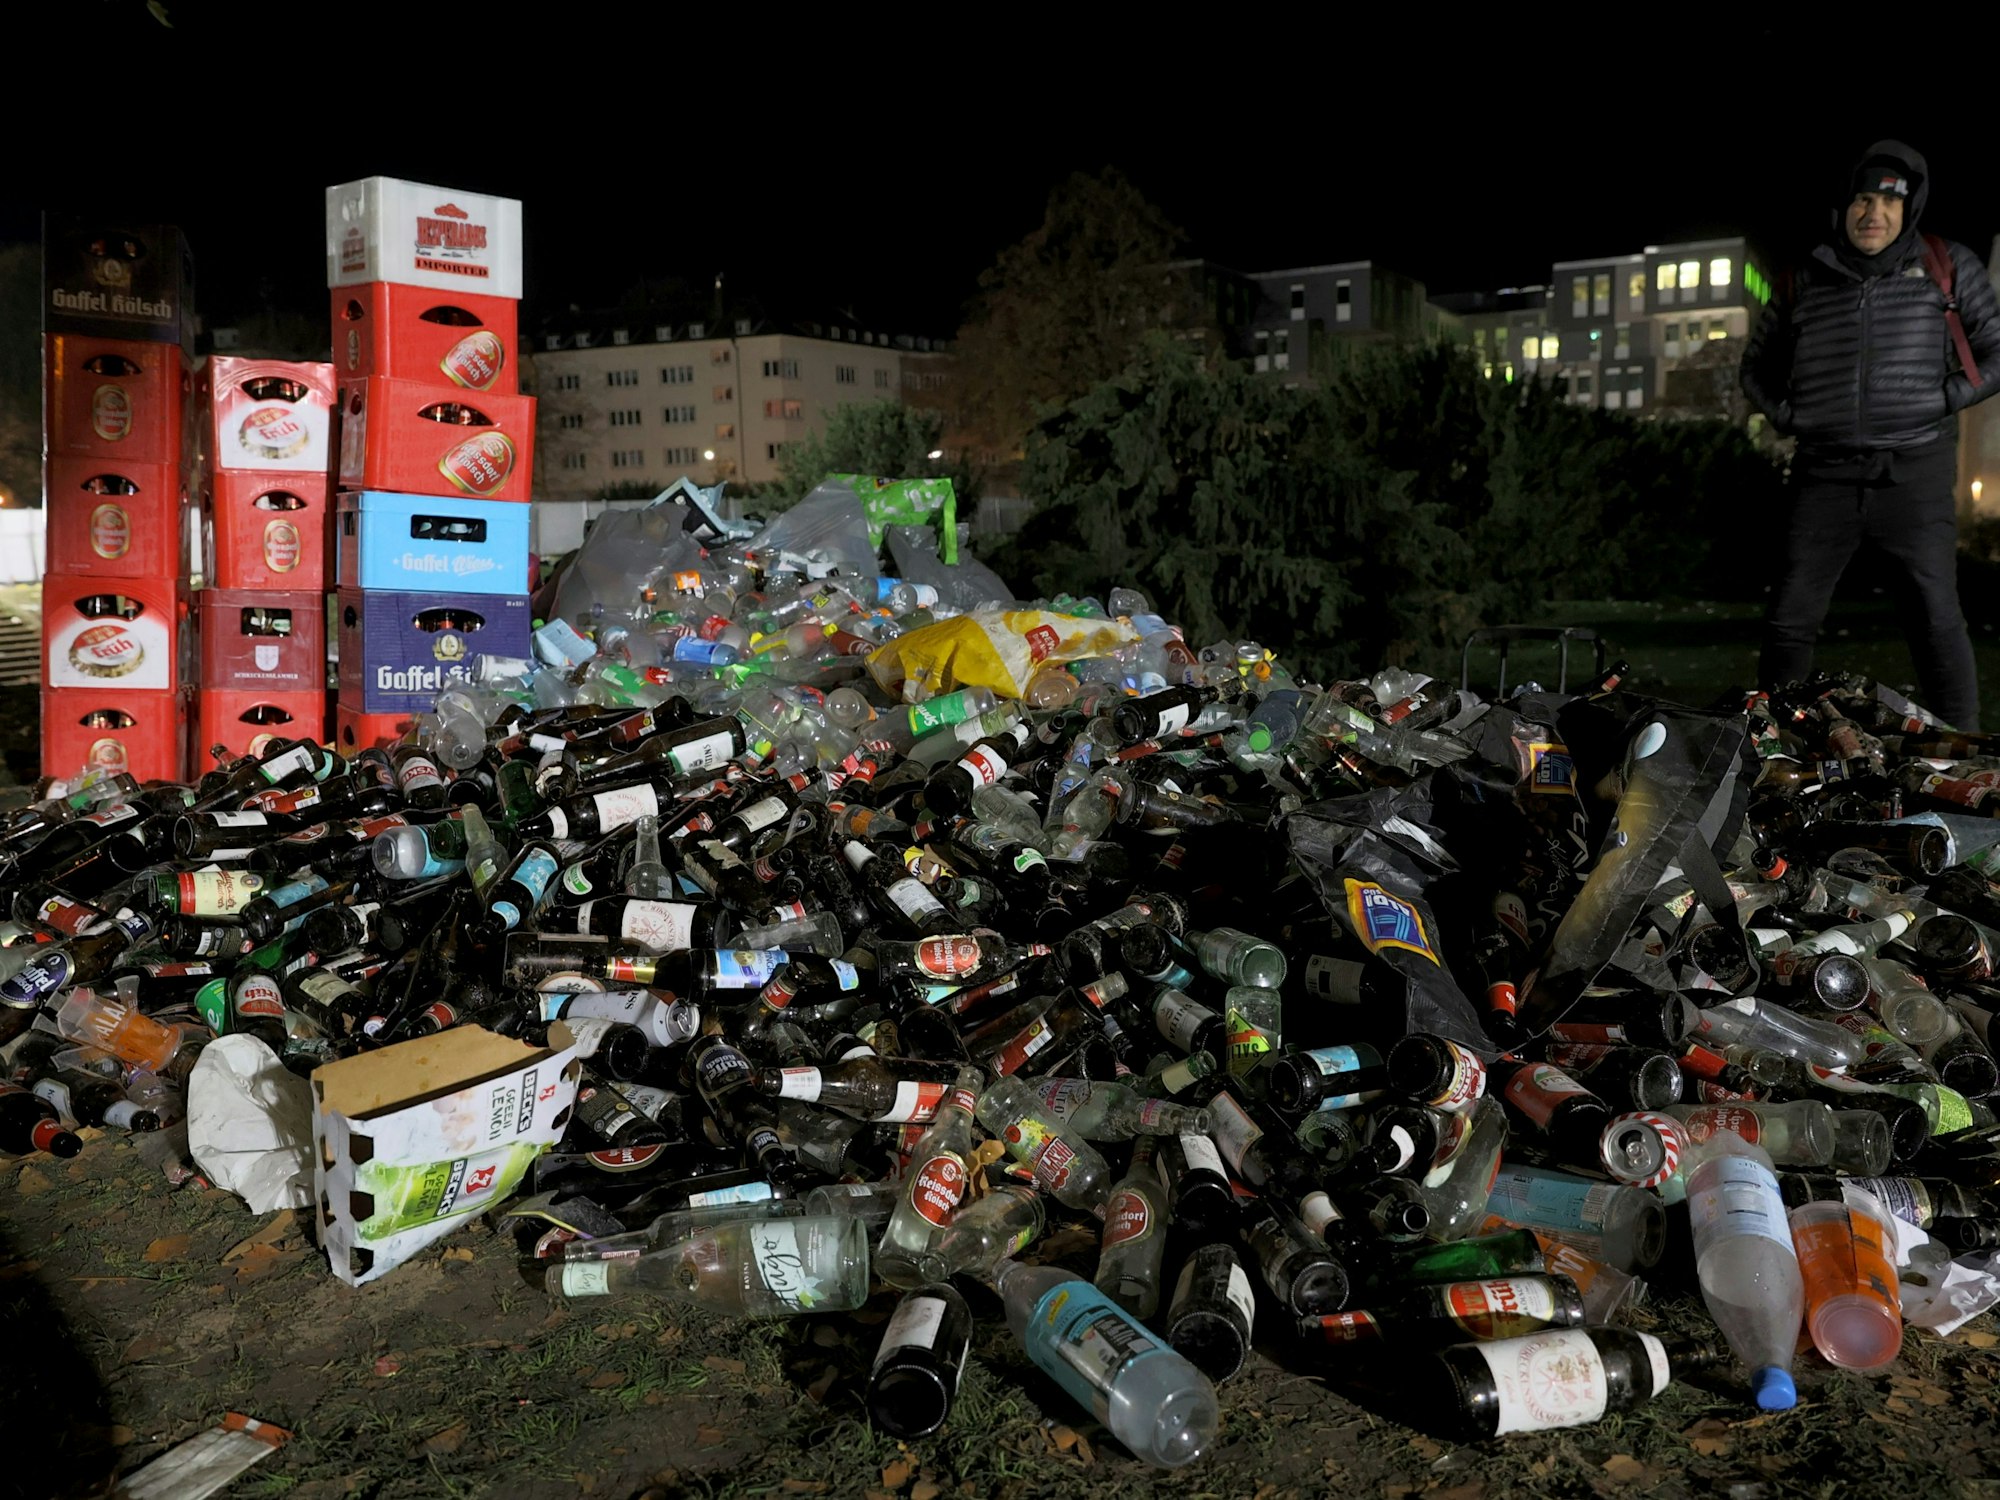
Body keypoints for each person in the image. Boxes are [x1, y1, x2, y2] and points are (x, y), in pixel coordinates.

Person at [1741, 139, 2000, 730]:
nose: (1873, 213)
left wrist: (1943, 399)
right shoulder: (1803, 277)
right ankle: (1773, 741)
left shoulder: (1947, 264)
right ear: (1844, 206)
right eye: (1862, 198)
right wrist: (1788, 417)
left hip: (1915, 470)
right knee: (1788, 619)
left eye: (1889, 201)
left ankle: (1962, 748)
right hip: (1823, 474)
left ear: (1908, 209)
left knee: (1936, 618)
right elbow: (1754, 366)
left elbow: (1995, 352)